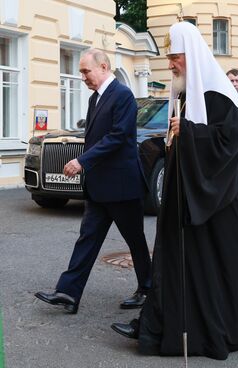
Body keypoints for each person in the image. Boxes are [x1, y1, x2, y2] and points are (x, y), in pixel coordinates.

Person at [111, 21, 238, 360]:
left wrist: (191, 132)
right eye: (168, 58)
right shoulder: (182, 92)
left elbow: (230, 144)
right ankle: (155, 325)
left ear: (191, 55)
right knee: (173, 263)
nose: (171, 64)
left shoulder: (220, 95)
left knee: (206, 270)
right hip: (189, 198)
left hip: (217, 206)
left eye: (175, 57)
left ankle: (203, 330)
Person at [35, 49, 152, 314]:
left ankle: (148, 290)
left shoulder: (123, 95)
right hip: (99, 186)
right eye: (81, 72)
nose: (83, 77)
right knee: (87, 239)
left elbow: (118, 137)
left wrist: (82, 161)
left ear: (103, 66)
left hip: (122, 187)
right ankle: (68, 292)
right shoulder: (95, 99)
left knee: (135, 240)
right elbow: (96, 138)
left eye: (86, 71)